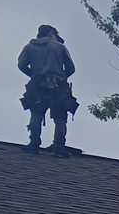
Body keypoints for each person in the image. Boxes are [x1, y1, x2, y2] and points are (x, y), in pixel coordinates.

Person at [18, 25, 78, 155]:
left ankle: (34, 144)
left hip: (37, 85)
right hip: (59, 87)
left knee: (36, 114)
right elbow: (71, 68)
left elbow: (21, 65)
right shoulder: (59, 47)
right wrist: (62, 77)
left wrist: (33, 75)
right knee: (60, 117)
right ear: (51, 33)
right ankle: (59, 147)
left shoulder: (29, 47)